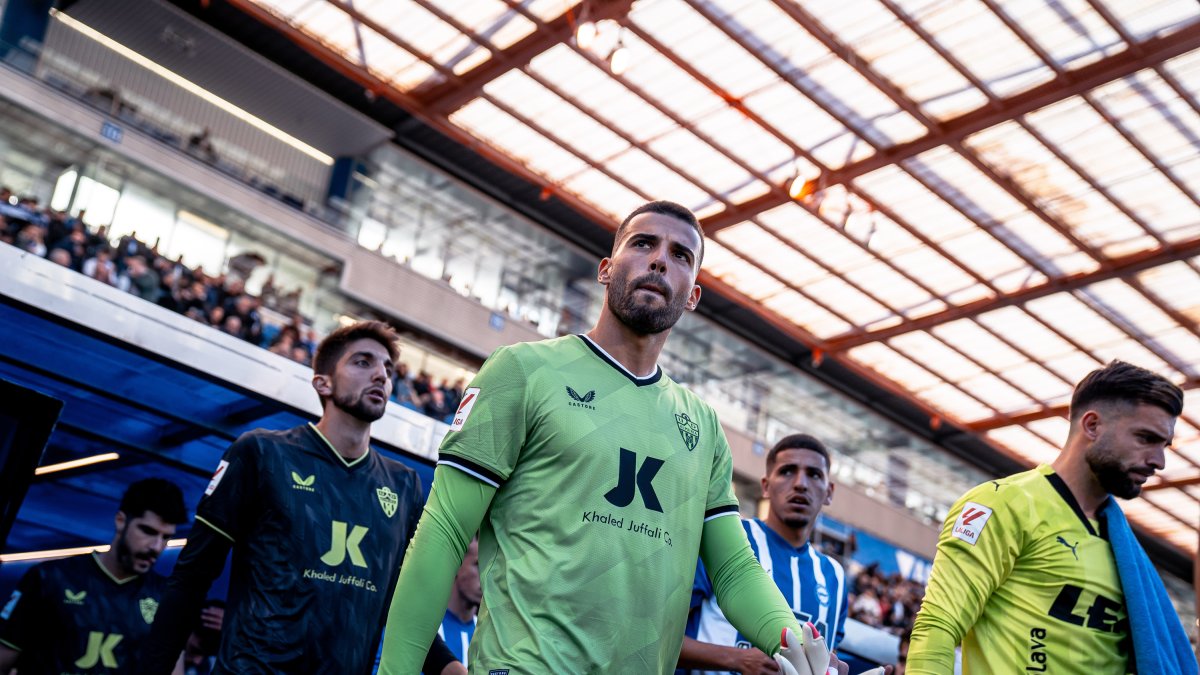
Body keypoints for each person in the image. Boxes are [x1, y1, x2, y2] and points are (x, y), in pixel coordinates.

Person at [379, 201, 836, 675]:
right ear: (606, 269)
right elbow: (445, 531)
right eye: (643, 244)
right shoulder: (522, 371)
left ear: (693, 296)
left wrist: (795, 641)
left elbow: (735, 571)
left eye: (681, 255)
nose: (659, 259)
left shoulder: (702, 425)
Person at [137, 321, 465, 675]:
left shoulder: (404, 486)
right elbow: (191, 579)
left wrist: (451, 668)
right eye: (362, 362)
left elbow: (401, 607)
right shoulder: (261, 453)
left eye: (387, 369)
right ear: (322, 382)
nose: (380, 376)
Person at [907, 360, 1185, 674]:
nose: (1159, 461)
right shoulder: (1001, 504)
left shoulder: (1128, 557)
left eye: (1165, 445)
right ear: (1092, 425)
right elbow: (939, 625)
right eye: (1146, 438)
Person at [679, 434, 855, 675]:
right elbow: (655, 637)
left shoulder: (834, 576)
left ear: (829, 492)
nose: (801, 483)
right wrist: (736, 659)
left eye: (814, 474)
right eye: (787, 472)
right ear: (765, 486)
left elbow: (823, 665)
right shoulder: (726, 538)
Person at [0, 478, 187, 673]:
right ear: (121, 521)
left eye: (166, 537)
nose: (156, 547)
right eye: (148, 531)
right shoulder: (51, 577)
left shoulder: (166, 597)